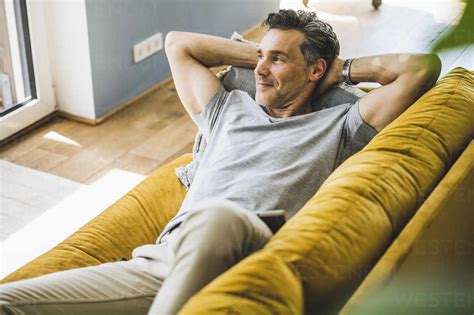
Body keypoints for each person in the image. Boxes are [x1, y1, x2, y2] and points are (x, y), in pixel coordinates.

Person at [0, 9, 441, 315]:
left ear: (315, 70)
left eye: (278, 59)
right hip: (161, 261)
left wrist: (340, 70)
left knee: (218, 218)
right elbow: (179, 44)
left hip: (245, 248)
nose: (262, 70)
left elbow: (421, 68)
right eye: (259, 57)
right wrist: (264, 56)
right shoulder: (227, 108)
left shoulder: (341, 125)